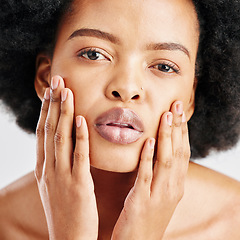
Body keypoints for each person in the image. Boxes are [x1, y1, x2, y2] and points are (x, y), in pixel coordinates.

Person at [0, 0, 240, 239]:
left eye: (165, 67)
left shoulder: (234, 220)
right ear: (45, 78)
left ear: (190, 98)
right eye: (94, 54)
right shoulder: (5, 223)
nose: (126, 88)